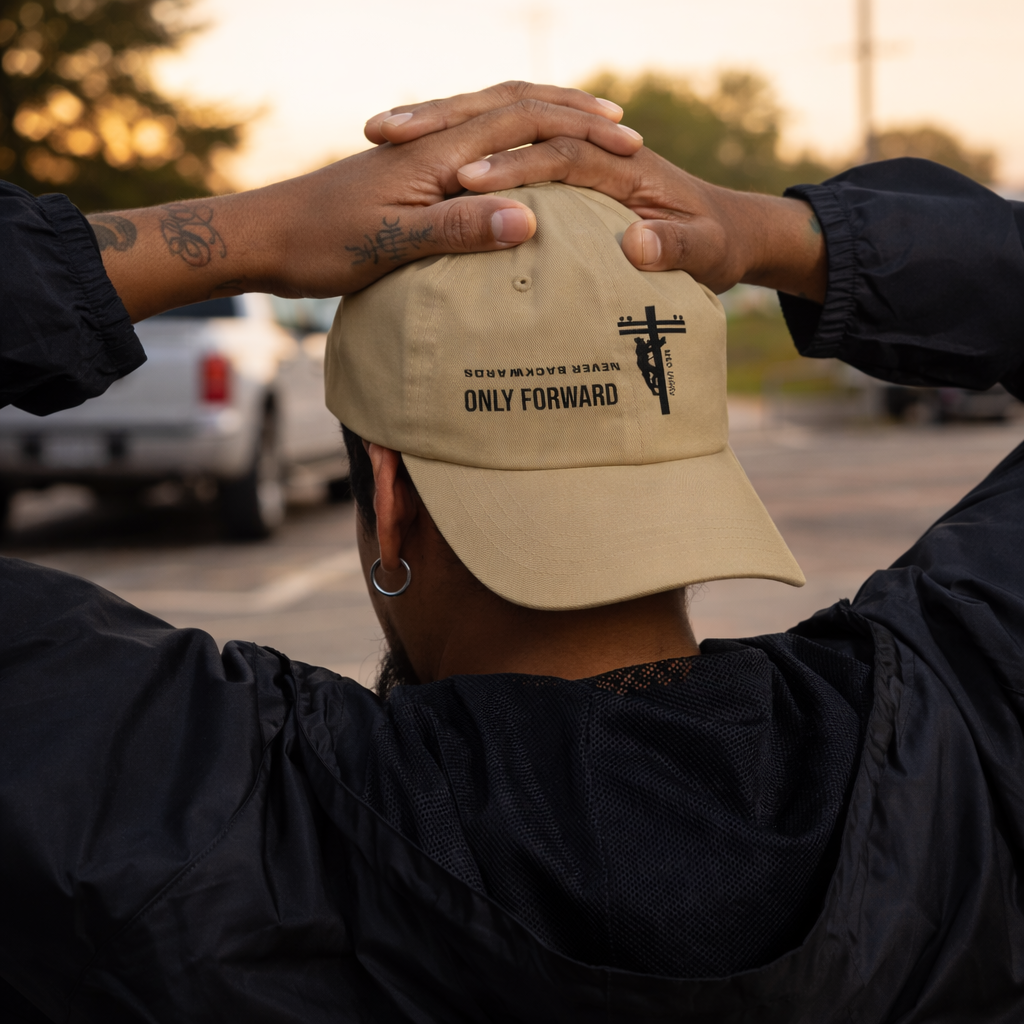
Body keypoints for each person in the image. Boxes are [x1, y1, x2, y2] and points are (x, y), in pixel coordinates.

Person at [1, 81, 1023, 1022]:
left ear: (388, 499)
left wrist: (240, 236)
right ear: (692, 458)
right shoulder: (957, 737)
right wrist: (777, 234)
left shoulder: (199, 819)